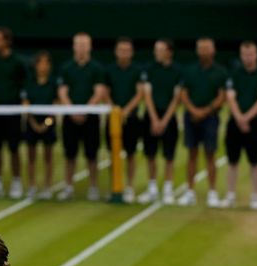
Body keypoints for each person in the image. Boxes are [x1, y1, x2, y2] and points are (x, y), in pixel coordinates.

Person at [57, 32, 106, 201]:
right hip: (70, 118)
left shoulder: (97, 68)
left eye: (85, 44)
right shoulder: (66, 68)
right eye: (79, 44)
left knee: (92, 154)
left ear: (90, 46)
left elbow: (99, 92)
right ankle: (69, 186)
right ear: (74, 46)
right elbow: (62, 92)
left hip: (90, 117)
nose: (82, 48)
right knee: (70, 154)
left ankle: (93, 187)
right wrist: (72, 111)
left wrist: (85, 110)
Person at [178, 37, 227, 207]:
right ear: (197, 51)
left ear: (213, 51)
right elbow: (183, 94)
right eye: (201, 48)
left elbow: (222, 97)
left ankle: (212, 192)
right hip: (191, 117)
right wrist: (194, 110)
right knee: (191, 154)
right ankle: (190, 192)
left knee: (210, 154)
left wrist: (205, 111)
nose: (204, 51)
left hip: (211, 118)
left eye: (207, 48)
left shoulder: (220, 72)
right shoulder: (189, 70)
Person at [221, 41, 257, 210]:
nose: (248, 57)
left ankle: (255, 197)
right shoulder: (234, 74)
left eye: (250, 54)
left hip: (255, 124)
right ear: (241, 55)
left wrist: (246, 118)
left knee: (255, 162)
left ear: (256, 55)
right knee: (232, 161)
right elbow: (230, 97)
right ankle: (230, 195)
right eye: (244, 54)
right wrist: (239, 118)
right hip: (235, 123)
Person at [0, 26, 27, 199]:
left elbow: (24, 83)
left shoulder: (18, 62)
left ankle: (16, 182)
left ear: (7, 41)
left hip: (13, 111)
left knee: (14, 148)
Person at [139, 38, 182, 205]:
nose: (156, 52)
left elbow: (177, 98)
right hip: (151, 115)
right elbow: (146, 95)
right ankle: (152, 188)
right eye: (156, 49)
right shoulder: (148, 70)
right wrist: (154, 118)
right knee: (151, 154)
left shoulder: (178, 71)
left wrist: (164, 120)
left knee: (169, 155)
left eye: (160, 49)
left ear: (169, 51)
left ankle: (168, 189)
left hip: (169, 117)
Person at [104, 37, 143, 203]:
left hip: (131, 117)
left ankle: (130, 186)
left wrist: (126, 111)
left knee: (131, 153)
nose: (124, 53)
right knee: (113, 153)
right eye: (121, 50)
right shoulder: (109, 70)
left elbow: (140, 93)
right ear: (116, 52)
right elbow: (105, 92)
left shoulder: (138, 71)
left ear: (132, 52)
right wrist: (115, 111)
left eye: (127, 50)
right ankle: (115, 185)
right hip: (113, 118)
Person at [21, 51, 57, 199]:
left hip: (48, 123)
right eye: (40, 63)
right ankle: (32, 185)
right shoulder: (29, 83)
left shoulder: (54, 84)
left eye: (46, 63)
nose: (43, 66)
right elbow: (26, 105)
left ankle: (48, 186)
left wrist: (46, 124)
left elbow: (55, 105)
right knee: (31, 157)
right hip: (32, 123)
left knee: (48, 156)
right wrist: (34, 124)